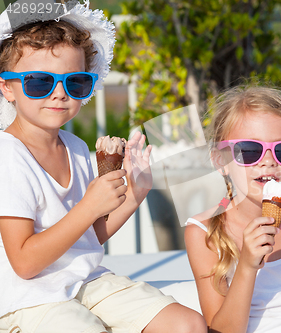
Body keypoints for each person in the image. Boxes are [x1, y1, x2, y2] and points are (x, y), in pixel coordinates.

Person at [0, 1, 206, 332]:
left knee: (186, 324)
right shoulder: (8, 156)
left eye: (75, 83)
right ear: (7, 87)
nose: (59, 93)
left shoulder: (78, 149)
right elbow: (24, 263)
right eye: (38, 82)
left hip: (86, 282)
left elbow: (90, 236)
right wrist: (88, 207)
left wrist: (135, 194)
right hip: (30, 298)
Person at [184, 84, 281, 333]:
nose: (268, 161)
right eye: (249, 151)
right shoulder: (204, 232)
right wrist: (247, 266)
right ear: (221, 161)